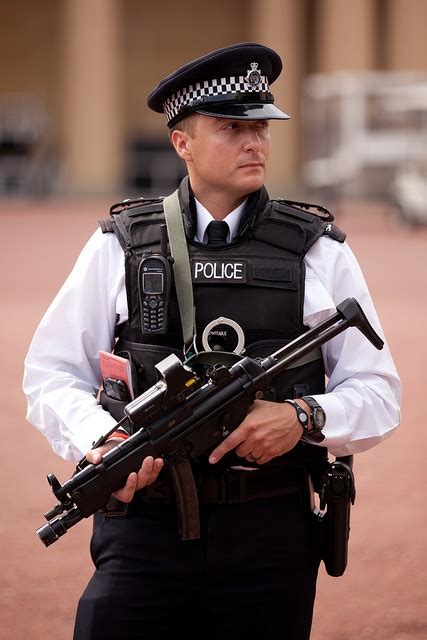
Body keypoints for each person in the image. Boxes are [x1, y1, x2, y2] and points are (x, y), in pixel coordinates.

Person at [23, 42, 401, 640]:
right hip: (144, 523)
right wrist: (102, 439)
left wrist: (302, 418)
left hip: (269, 532)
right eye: (232, 128)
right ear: (182, 143)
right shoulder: (122, 244)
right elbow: (50, 372)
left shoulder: (317, 249)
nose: (255, 143)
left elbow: (379, 393)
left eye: (261, 128)